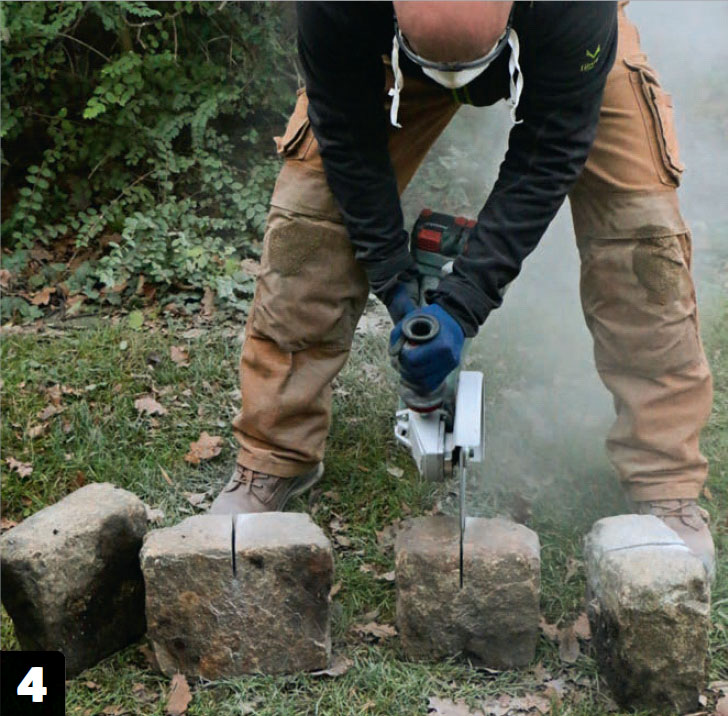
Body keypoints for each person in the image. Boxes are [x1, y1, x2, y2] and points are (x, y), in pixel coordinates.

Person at [210, 1, 715, 579]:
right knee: (308, 229)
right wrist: (395, 282)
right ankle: (272, 455)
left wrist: (465, 302)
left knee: (642, 241)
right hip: (390, 58)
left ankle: (665, 478)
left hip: (561, 39)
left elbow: (550, 150)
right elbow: (346, 134)